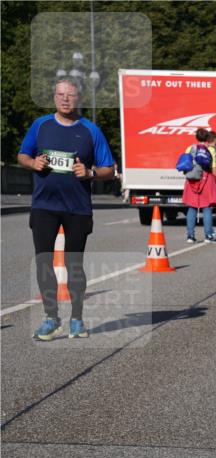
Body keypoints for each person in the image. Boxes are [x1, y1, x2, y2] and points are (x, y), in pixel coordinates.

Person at [18, 76, 115, 340]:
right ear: (54, 97)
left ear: (77, 99)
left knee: (74, 264)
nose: (65, 99)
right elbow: (22, 155)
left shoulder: (90, 130)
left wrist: (91, 172)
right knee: (43, 262)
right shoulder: (41, 126)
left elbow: (110, 169)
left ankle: (77, 318)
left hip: (77, 208)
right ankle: (51, 318)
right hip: (44, 206)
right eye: (60, 94)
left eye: (70, 94)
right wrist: (32, 163)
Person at [182, 128, 216, 243]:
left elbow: (186, 164)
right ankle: (208, 236)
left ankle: (190, 236)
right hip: (207, 179)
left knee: (192, 207)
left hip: (192, 180)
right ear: (208, 138)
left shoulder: (190, 148)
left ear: (196, 137)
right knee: (207, 207)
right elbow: (213, 168)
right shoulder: (211, 150)